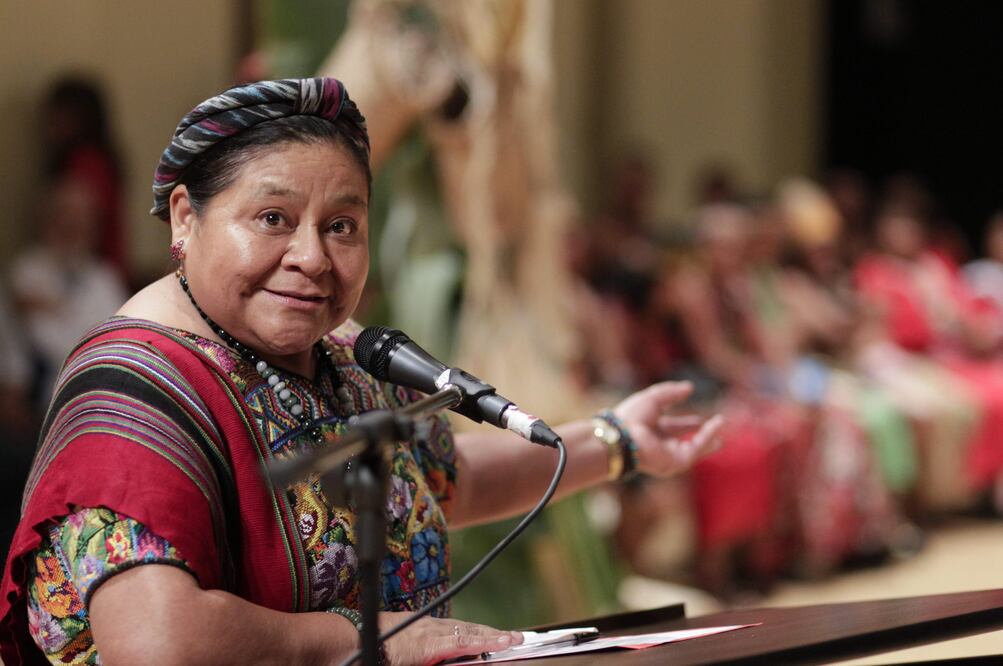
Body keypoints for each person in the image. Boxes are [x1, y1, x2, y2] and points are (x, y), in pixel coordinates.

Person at [0, 78, 723, 666]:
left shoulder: (336, 354)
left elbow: (444, 483)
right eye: (273, 219)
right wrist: (372, 639)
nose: (314, 257)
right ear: (184, 218)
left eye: (341, 226)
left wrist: (617, 441)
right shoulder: (134, 387)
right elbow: (159, 645)